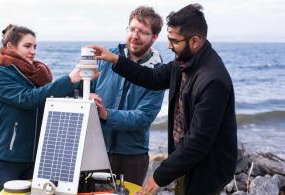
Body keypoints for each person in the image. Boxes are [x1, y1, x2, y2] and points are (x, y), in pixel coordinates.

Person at [90, 4, 237, 195]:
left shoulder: (213, 80)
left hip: (206, 170)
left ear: (194, 41)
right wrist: (115, 60)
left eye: (174, 41)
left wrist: (159, 177)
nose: (169, 46)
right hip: (184, 162)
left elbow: (198, 142)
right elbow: (152, 78)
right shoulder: (183, 63)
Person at [0, 24, 82, 195]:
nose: (33, 51)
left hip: (39, 157)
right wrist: (69, 80)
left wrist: (80, 92)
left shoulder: (36, 73)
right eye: (27, 46)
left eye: (35, 46)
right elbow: (29, 98)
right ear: (10, 47)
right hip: (6, 158)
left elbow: (50, 99)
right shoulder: (0, 75)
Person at [88, 6, 165, 185]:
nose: (135, 36)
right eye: (132, 29)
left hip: (132, 157)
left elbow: (144, 117)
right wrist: (87, 94)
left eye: (143, 32)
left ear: (154, 37)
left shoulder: (159, 72)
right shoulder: (108, 57)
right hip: (96, 149)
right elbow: (84, 87)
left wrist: (106, 114)